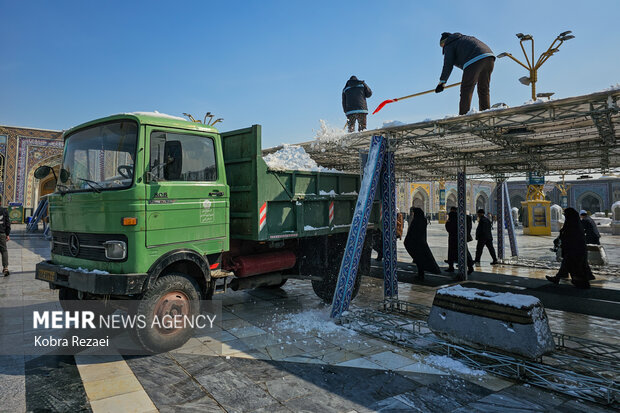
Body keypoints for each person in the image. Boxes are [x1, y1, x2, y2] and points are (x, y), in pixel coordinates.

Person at [435, 32, 495, 115]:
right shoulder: (464, 38)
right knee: (483, 89)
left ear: (444, 43)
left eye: (442, 47)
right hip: (489, 57)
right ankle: (486, 114)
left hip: (474, 59)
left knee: (466, 89)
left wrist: (442, 82)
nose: (443, 49)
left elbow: (448, 64)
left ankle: (463, 117)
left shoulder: (449, 44)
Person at [546, 208, 594, 289]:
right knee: (570, 264)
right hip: (575, 249)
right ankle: (558, 278)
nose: (565, 216)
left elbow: (569, 236)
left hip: (574, 250)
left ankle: (560, 278)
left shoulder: (573, 225)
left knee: (573, 265)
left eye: (566, 214)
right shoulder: (575, 223)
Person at [404, 207, 441, 280]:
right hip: (421, 242)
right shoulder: (423, 220)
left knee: (419, 259)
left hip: (416, 243)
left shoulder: (417, 220)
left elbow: (413, 232)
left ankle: (421, 275)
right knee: (421, 258)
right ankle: (421, 273)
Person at [445, 207, 474, 277]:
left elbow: (449, 228)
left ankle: (451, 267)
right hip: (461, 237)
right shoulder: (464, 217)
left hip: (453, 237)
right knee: (464, 251)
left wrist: (447, 223)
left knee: (452, 252)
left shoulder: (452, 216)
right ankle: (470, 266)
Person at [0, 206, 10, 276]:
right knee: (4, 251)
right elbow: (7, 223)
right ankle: (5, 268)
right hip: (2, 233)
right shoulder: (4, 210)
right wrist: (7, 234)